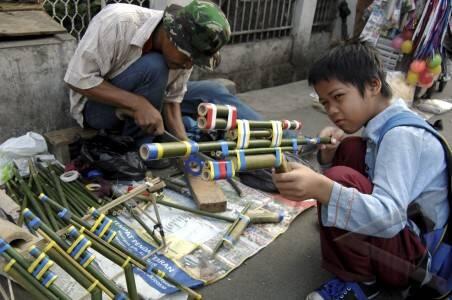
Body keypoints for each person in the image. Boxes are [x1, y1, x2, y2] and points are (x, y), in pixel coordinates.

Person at [273, 41, 450, 300]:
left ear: (373, 85)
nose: (331, 110)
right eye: (324, 102)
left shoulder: (401, 136)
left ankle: (363, 282)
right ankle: (349, 245)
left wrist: (323, 188)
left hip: (415, 262)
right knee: (349, 150)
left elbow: (388, 218)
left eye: (338, 97)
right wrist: (328, 157)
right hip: (404, 240)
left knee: (336, 181)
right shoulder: (385, 124)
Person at [64, 0, 262, 147]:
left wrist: (185, 147)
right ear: (170, 34)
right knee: (156, 65)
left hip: (151, 95)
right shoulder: (117, 22)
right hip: (97, 110)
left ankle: (278, 137)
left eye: (194, 60)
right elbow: (76, 79)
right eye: (187, 57)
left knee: (213, 90)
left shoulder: (185, 54)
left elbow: (173, 101)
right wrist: (137, 104)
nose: (188, 65)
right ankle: (141, 148)